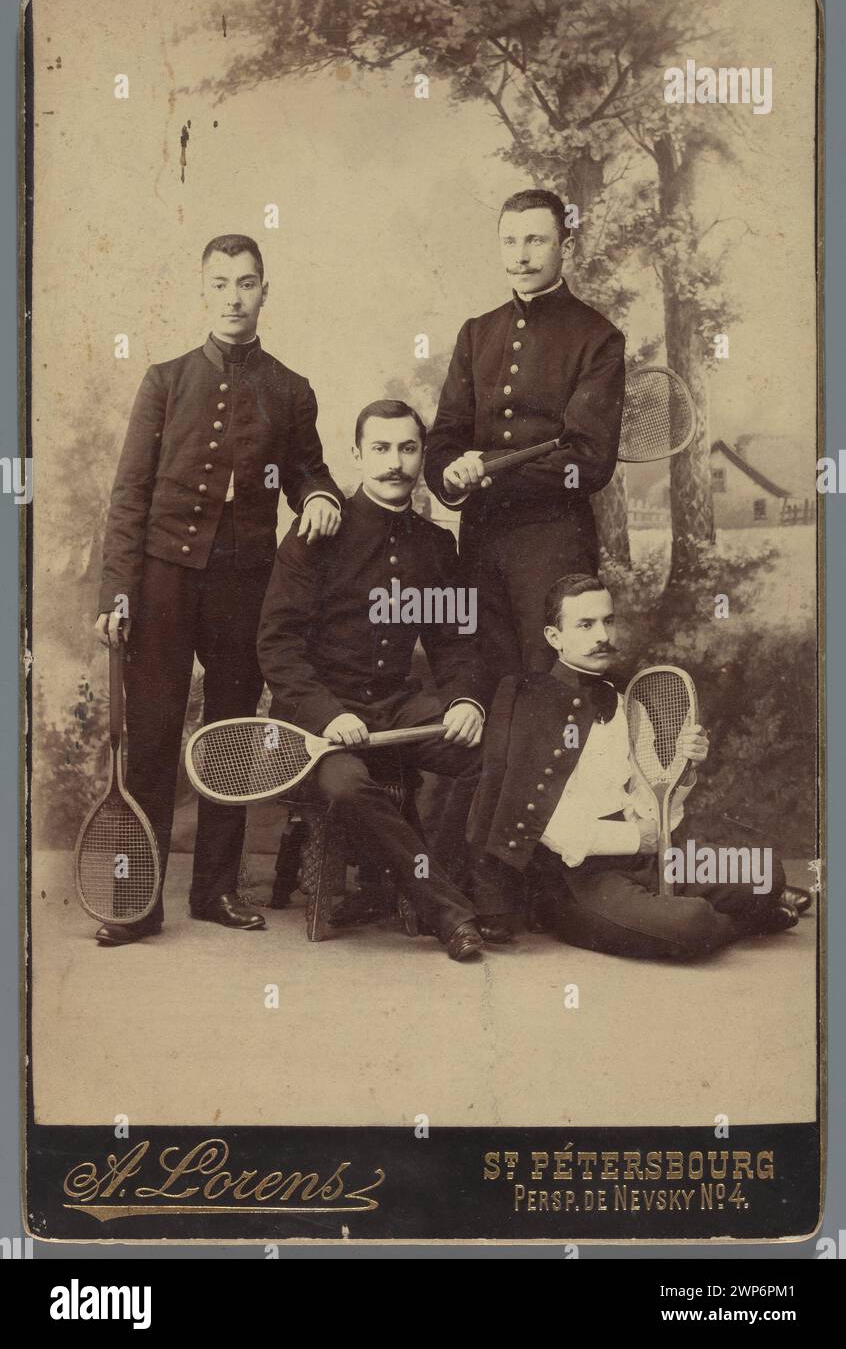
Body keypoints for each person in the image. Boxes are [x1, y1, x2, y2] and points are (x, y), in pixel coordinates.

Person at [94, 233, 343, 945]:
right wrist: (119, 593)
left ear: (266, 290)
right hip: (164, 579)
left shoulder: (290, 389)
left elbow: (308, 470)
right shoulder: (165, 381)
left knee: (233, 741)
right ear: (203, 292)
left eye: (247, 283)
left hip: (245, 587)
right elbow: (129, 495)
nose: (234, 297)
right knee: (151, 739)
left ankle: (215, 892)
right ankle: (134, 898)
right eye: (221, 283)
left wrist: (321, 496)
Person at [257, 399, 488, 961]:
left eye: (408, 449)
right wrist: (329, 715)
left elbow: (455, 643)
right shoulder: (318, 532)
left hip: (395, 707)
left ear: (422, 455)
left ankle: (449, 887)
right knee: (345, 786)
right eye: (381, 449)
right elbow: (277, 645)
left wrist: (465, 701)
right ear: (357, 455)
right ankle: (450, 913)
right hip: (316, 717)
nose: (395, 463)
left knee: (491, 754)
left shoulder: (436, 546)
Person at [465, 573, 803, 956]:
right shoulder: (527, 702)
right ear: (554, 637)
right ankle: (749, 922)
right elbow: (545, 824)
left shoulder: (629, 700)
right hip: (578, 878)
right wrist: (634, 838)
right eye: (586, 624)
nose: (602, 635)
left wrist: (684, 769)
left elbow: (654, 803)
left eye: (608, 621)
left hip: (647, 857)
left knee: (766, 873)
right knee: (690, 923)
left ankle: (722, 918)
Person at [424, 188, 626, 702]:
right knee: (490, 687)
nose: (521, 254)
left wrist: (488, 469)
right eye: (509, 241)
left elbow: (589, 460)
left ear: (567, 248)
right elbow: (445, 437)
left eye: (536, 239)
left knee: (552, 688)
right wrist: (449, 473)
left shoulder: (597, 338)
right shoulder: (476, 334)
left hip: (554, 545)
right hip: (480, 542)